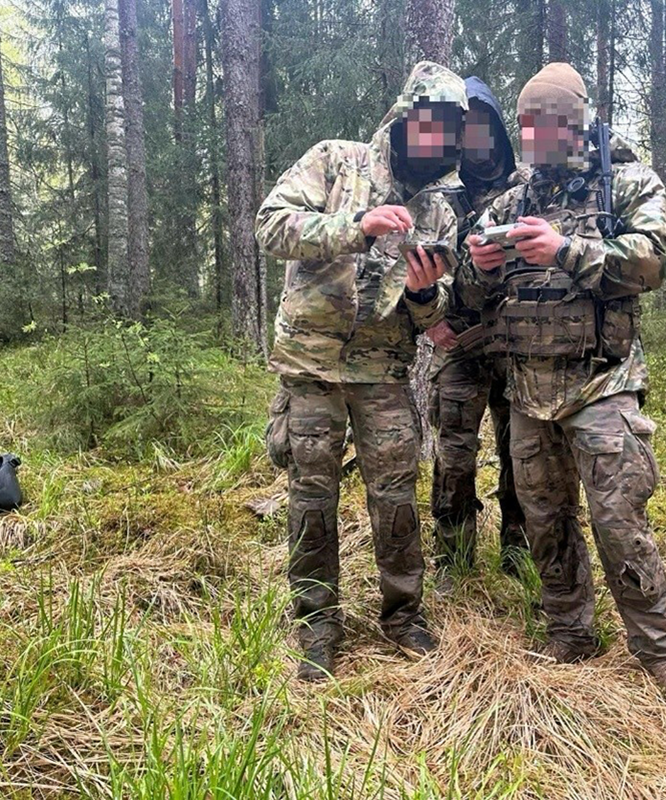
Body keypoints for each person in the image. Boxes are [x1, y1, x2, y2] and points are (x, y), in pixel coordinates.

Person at [408, 62, 666, 722]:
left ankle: (660, 655)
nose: (532, 134)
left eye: (544, 122)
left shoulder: (626, 180)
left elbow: (652, 261)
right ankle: (570, 632)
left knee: (618, 520)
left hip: (601, 384)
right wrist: (479, 270)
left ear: (574, 121)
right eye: (524, 123)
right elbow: (468, 302)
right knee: (545, 521)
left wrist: (566, 250)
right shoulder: (513, 198)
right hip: (527, 389)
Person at [256, 61, 464, 682]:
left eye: (450, 132)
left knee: (396, 495)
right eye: (430, 125)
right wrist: (356, 227)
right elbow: (271, 226)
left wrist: (427, 295)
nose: (439, 141)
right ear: (404, 119)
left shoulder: (438, 212)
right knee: (311, 495)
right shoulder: (335, 162)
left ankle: (403, 615)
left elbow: (436, 312)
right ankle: (316, 624)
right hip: (312, 368)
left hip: (383, 373)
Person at [421, 77, 529, 582]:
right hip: (461, 346)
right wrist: (429, 320)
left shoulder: (528, 188)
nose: (476, 141)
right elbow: (415, 270)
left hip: (520, 346)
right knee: (453, 456)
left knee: (523, 454)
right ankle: (454, 559)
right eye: (466, 130)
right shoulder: (442, 196)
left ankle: (520, 551)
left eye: (484, 128)